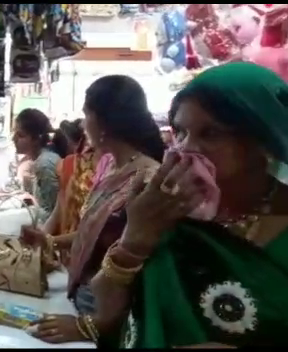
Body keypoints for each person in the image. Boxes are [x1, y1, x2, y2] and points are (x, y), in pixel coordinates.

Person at [73, 62, 288, 348]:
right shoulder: (170, 209)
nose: (186, 148)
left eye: (210, 134)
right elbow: (108, 305)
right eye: (180, 132)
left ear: (262, 141)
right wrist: (134, 240)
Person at [23, 75, 165, 333]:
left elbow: (141, 266)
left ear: (102, 122)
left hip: (112, 314)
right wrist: (51, 241)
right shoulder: (111, 166)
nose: (82, 123)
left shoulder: (147, 180)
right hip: (85, 297)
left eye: (86, 114)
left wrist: (88, 326)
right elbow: (96, 232)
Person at [40, 119, 98, 266]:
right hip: (68, 257)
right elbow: (58, 211)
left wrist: (48, 241)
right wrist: (41, 240)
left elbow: (98, 231)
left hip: (97, 261)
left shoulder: (115, 170)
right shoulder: (69, 165)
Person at [13, 108, 61, 215]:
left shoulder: (44, 163)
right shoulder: (39, 160)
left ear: (36, 138)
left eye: (21, 135)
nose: (14, 139)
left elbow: (51, 212)